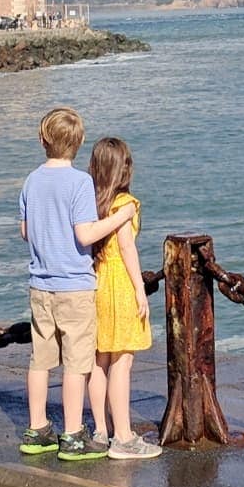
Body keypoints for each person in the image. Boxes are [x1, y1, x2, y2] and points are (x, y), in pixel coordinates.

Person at [18, 107, 135, 460]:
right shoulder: (80, 182)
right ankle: (72, 434)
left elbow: (25, 232)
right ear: (80, 143)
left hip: (40, 283)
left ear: (43, 140)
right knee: (76, 363)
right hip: (75, 285)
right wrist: (119, 218)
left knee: (40, 359)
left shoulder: (31, 180)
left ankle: (37, 428)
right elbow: (85, 234)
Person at [87, 136, 162, 459]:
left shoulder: (90, 201)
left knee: (98, 360)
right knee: (122, 360)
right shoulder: (125, 204)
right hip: (118, 283)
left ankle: (100, 431)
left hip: (95, 282)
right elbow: (127, 248)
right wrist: (138, 288)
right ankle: (124, 436)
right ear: (125, 169)